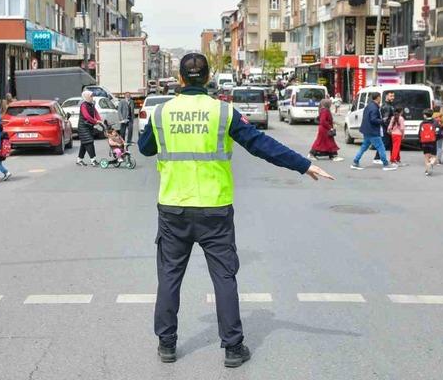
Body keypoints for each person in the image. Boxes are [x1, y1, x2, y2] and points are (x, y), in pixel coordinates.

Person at [139, 53, 333, 368]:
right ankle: (232, 348)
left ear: (181, 77)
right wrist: (304, 165)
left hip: (173, 208)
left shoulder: (162, 113)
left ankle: (167, 344)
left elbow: (145, 148)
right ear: (208, 76)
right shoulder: (223, 112)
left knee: (169, 276)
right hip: (214, 209)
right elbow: (261, 145)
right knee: (224, 277)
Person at [351, 92, 398, 171]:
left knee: (364, 147)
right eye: (380, 97)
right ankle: (386, 164)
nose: (381, 99)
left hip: (367, 130)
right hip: (373, 131)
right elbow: (373, 119)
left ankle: (355, 162)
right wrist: (382, 121)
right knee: (381, 147)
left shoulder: (369, 106)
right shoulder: (374, 108)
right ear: (378, 98)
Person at [308, 98, 343, 162]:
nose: (331, 105)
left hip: (323, 129)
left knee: (324, 142)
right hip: (325, 129)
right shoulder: (325, 111)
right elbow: (323, 121)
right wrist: (330, 127)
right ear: (327, 104)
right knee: (326, 142)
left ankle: (332, 155)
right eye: (330, 103)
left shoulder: (323, 110)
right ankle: (332, 155)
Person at [76, 90, 102, 166]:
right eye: (91, 96)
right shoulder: (83, 105)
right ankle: (93, 160)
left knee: (84, 143)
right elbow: (86, 116)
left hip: (89, 126)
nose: (92, 97)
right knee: (89, 142)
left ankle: (79, 160)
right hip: (83, 127)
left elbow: (96, 112)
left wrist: (99, 120)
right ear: (86, 96)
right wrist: (95, 121)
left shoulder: (91, 104)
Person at [374, 91, 395, 164]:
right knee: (384, 143)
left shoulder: (389, 105)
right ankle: (377, 158)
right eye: (391, 96)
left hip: (387, 128)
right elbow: (385, 119)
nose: (392, 97)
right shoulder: (386, 106)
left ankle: (392, 159)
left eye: (393, 96)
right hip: (386, 128)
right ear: (386, 96)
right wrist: (389, 128)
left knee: (386, 143)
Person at [418, 109, 440, 176]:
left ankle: (427, 171)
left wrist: (420, 141)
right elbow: (438, 132)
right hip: (432, 142)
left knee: (426, 156)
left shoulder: (422, 123)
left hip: (424, 142)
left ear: (425, 115)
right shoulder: (435, 122)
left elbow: (419, 134)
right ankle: (431, 164)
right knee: (434, 156)